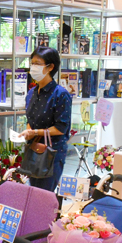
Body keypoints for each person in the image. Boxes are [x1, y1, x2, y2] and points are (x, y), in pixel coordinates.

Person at [20, 46, 72, 192]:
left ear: (50, 67)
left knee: (44, 195)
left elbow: (61, 128)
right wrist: (28, 132)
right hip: (33, 150)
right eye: (32, 63)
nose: (33, 67)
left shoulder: (60, 94)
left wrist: (35, 132)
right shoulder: (32, 93)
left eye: (37, 63)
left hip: (51, 154)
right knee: (33, 193)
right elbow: (30, 119)